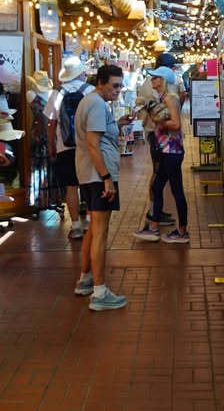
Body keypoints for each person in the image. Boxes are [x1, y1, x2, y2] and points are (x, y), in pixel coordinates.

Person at [73, 64, 133, 311]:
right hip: (98, 175)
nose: (118, 90)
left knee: (93, 229)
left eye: (120, 85)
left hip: (89, 173)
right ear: (100, 83)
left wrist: (117, 123)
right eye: (114, 86)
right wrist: (106, 177)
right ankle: (99, 292)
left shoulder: (91, 102)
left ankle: (86, 279)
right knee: (101, 231)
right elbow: (93, 144)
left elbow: (96, 135)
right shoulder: (97, 104)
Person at [133, 66, 190, 243]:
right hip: (166, 150)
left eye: (156, 77)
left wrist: (158, 120)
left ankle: (182, 231)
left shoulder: (170, 98)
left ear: (164, 80)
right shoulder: (162, 98)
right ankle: (154, 226)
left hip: (172, 150)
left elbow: (176, 124)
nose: (152, 80)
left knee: (176, 189)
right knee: (157, 187)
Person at [45, 57, 94, 239]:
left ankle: (75, 227)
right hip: (88, 146)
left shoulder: (57, 93)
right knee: (89, 184)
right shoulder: (90, 91)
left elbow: (51, 124)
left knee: (71, 187)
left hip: (64, 147)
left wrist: (51, 146)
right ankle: (88, 221)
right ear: (81, 73)